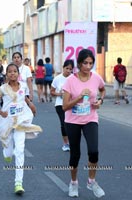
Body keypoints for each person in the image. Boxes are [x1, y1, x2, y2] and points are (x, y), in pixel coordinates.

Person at [0, 63, 42, 195]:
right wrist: (1, 113)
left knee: (19, 150)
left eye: (15, 71)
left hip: (21, 120)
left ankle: (18, 183)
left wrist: (31, 104)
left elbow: (24, 97)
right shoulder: (2, 89)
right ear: (6, 74)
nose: (12, 73)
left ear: (18, 74)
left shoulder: (23, 86)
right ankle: (6, 152)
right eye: (10, 72)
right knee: (8, 150)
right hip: (6, 121)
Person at [62, 49, 106, 198]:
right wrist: (80, 97)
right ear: (79, 64)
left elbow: (102, 90)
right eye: (85, 63)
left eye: (91, 63)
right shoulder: (70, 81)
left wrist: (100, 101)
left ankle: (91, 181)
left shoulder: (96, 78)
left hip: (90, 118)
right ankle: (73, 183)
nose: (88, 66)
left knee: (94, 151)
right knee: (75, 155)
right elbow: (65, 106)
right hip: (72, 120)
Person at [50, 59, 74, 152]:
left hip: (71, 104)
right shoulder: (57, 78)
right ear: (63, 68)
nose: (68, 71)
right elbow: (52, 91)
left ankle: (72, 142)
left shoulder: (74, 78)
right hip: (60, 104)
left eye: (70, 69)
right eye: (67, 68)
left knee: (71, 124)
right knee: (64, 124)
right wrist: (59, 94)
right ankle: (66, 143)